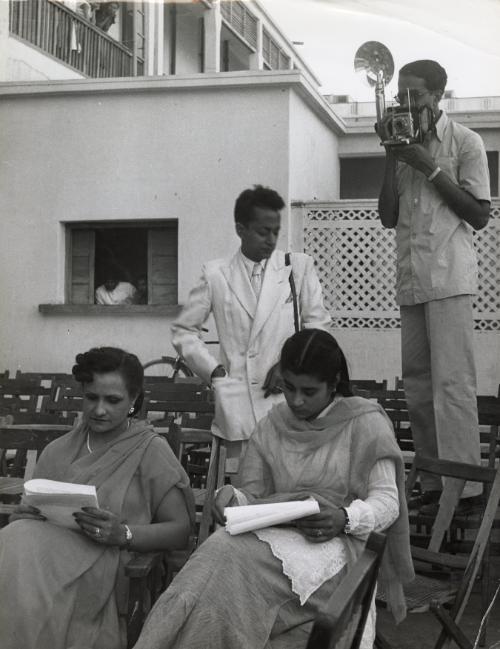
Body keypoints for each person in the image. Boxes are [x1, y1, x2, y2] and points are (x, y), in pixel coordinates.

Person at [133, 330, 414, 649]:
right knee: (217, 554)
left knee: (227, 558)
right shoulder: (273, 424)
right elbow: (250, 495)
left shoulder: (364, 422)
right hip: (271, 542)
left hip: (337, 550)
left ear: (334, 383)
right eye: (289, 388)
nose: (296, 401)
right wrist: (228, 499)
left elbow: (389, 502)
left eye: (309, 391)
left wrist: (344, 517)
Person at [0, 347, 194, 649]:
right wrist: (25, 516)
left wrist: (124, 534)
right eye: (91, 397)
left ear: (133, 400)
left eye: (113, 400)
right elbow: (35, 514)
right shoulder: (58, 451)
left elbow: (180, 531)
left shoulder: (150, 451)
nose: (99, 410)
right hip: (47, 564)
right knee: (16, 536)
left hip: (111, 570)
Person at [377, 60, 491, 513]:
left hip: (449, 279)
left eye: (416, 95)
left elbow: (479, 215)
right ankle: (430, 479)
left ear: (438, 96)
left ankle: (466, 490)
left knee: (453, 385)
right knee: (419, 387)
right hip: (411, 280)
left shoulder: (465, 141)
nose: (406, 103)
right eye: (401, 96)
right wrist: (391, 155)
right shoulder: (402, 146)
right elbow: (388, 216)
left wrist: (429, 167)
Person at [171, 185, 331, 458]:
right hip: (238, 404)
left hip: (288, 400)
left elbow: (319, 328)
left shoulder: (299, 268)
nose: (271, 239)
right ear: (240, 229)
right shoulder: (216, 275)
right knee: (244, 489)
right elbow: (184, 331)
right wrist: (215, 373)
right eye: (262, 231)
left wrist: (291, 365)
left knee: (290, 489)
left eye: (275, 232)